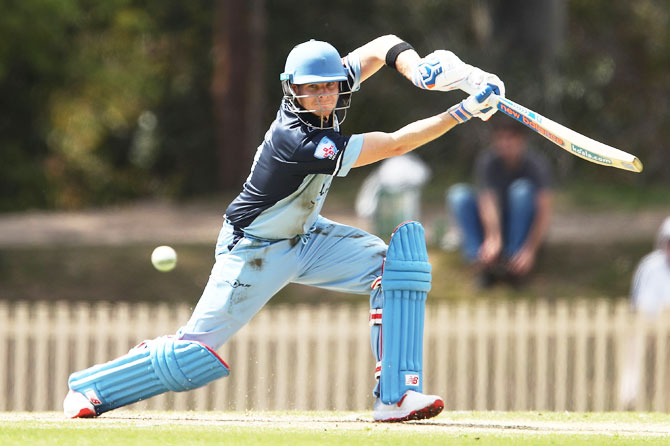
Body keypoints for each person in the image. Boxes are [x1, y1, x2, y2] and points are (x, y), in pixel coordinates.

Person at [63, 35, 504, 422]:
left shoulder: (326, 92)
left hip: (307, 238)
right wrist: (462, 111)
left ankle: (397, 396)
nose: (324, 97)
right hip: (253, 251)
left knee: (397, 270)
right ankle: (90, 388)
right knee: (194, 354)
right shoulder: (300, 140)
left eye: (330, 86)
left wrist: (420, 70)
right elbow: (395, 144)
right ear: (292, 90)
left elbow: (381, 45)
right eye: (312, 89)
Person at [447, 117, 553, 287]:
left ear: (521, 140)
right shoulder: (488, 161)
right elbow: (487, 201)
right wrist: (493, 238)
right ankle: (480, 262)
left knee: (521, 190)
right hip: (495, 223)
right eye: (501, 138)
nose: (505, 143)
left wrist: (529, 250)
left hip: (521, 225)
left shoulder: (536, 164)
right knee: (458, 195)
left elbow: (544, 211)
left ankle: (514, 262)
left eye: (510, 138)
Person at [619, 217, 670, 407]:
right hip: (649, 325)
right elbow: (640, 302)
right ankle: (629, 396)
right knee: (635, 344)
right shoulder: (650, 266)